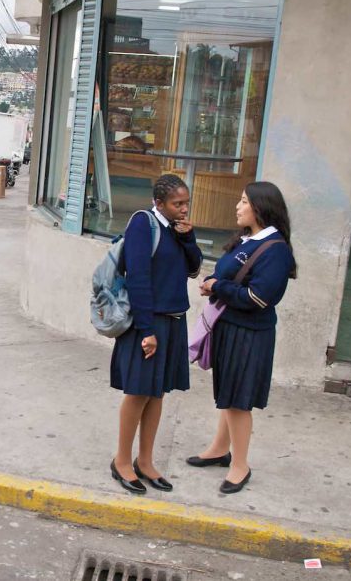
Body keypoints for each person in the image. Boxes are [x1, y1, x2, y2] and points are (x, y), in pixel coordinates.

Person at [188, 181, 297, 495]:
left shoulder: (275, 250)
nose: (238, 206)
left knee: (239, 400)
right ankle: (220, 449)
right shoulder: (247, 239)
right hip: (230, 326)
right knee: (229, 394)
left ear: (261, 208)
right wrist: (213, 281)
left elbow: (259, 298)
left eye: (244, 201)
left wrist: (217, 287)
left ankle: (240, 465)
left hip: (249, 333)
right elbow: (227, 275)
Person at [109, 174, 202, 495]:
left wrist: (188, 238)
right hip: (147, 322)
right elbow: (138, 277)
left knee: (158, 392)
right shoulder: (143, 224)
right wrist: (147, 330)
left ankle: (145, 461)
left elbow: (194, 269)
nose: (183, 208)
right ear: (158, 202)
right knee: (137, 393)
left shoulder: (178, 230)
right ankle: (121, 460)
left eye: (186, 203)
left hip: (174, 320)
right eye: (177, 203)